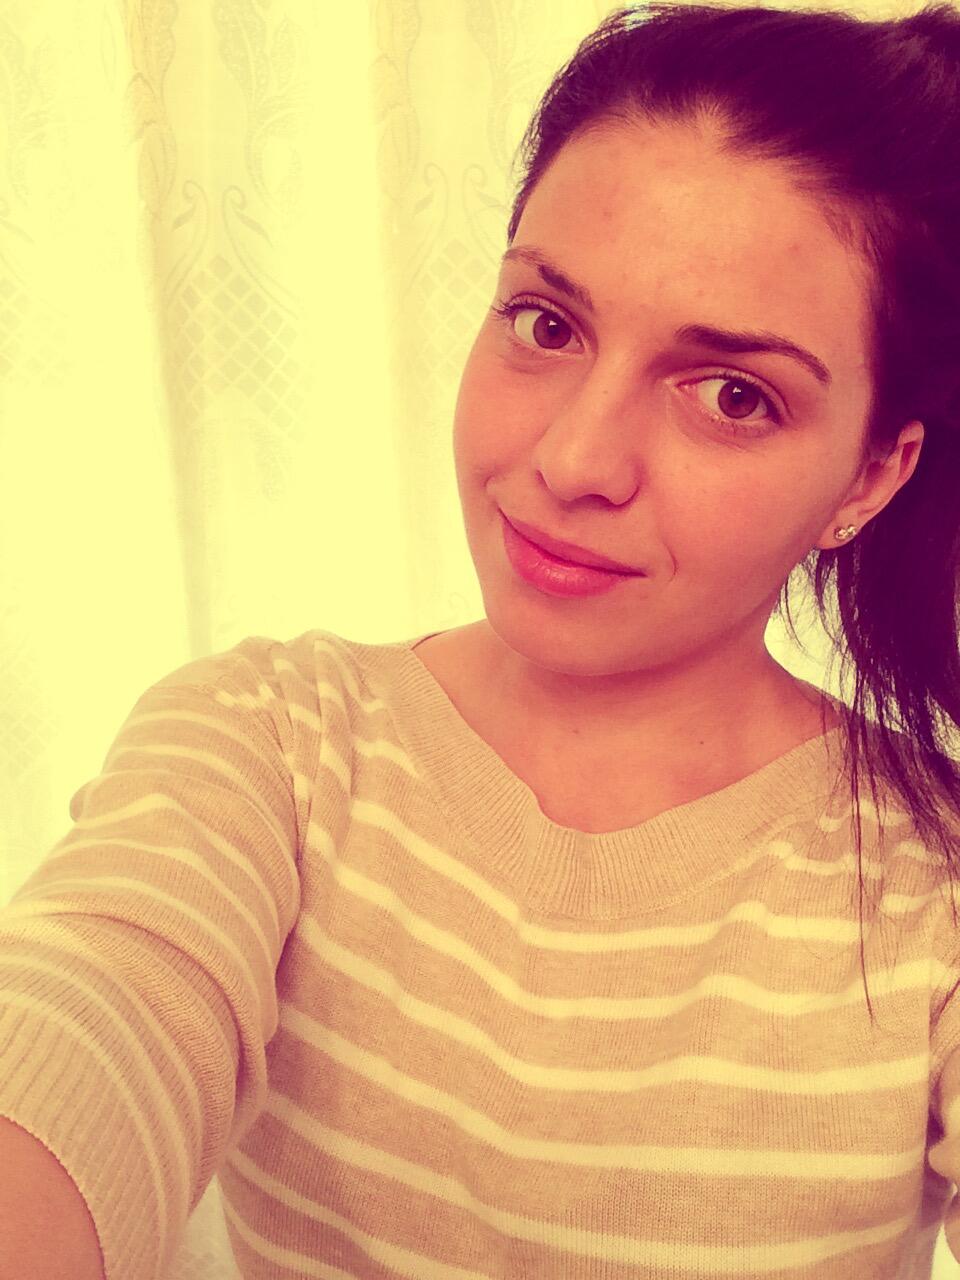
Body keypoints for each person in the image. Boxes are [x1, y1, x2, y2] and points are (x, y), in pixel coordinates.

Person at [3, 3, 960, 1277]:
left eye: (733, 394)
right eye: (547, 323)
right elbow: (91, 1009)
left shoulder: (926, 890)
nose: (571, 459)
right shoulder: (271, 748)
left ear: (871, 476)